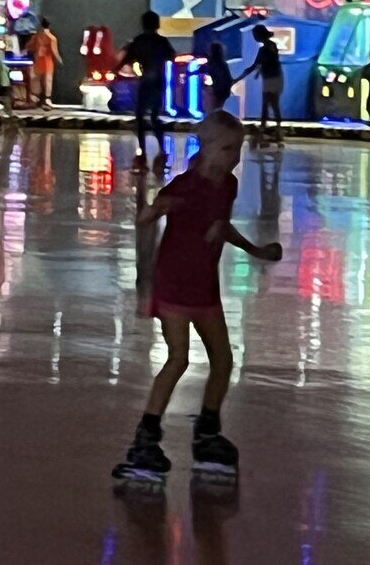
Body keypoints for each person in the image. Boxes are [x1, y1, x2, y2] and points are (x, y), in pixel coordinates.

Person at [113, 111, 282, 484]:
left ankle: (207, 432)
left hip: (204, 287)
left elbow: (221, 227)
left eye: (237, 148)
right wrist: (148, 203)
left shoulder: (227, 186)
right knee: (178, 358)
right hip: (174, 285)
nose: (234, 156)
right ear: (206, 148)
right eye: (227, 148)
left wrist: (256, 250)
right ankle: (145, 439)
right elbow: (146, 220)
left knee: (223, 360)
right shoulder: (185, 187)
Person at [115, 11, 176, 174]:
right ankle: (162, 151)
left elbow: (127, 59)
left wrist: (115, 71)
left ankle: (142, 154)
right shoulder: (162, 42)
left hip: (146, 81)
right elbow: (171, 56)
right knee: (155, 117)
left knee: (140, 117)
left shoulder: (139, 41)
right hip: (159, 82)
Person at [237, 25, 284, 144]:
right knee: (268, 104)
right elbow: (260, 64)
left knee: (271, 103)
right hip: (272, 78)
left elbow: (260, 63)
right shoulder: (267, 47)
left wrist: (240, 77)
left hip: (273, 79)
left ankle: (274, 130)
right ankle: (271, 129)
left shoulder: (268, 47)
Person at [25, 17, 62, 111]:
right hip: (47, 60)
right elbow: (54, 51)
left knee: (36, 79)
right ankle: (47, 99)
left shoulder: (36, 36)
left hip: (38, 59)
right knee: (48, 79)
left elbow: (29, 46)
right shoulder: (52, 38)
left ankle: (35, 98)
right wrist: (59, 59)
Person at [203, 41, 233, 115]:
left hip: (216, 89)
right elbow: (228, 78)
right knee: (218, 107)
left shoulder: (210, 64)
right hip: (224, 89)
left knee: (214, 107)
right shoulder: (223, 64)